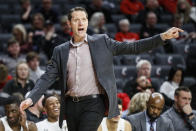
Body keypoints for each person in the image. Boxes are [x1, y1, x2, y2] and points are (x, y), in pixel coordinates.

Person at [20, 6, 184, 131]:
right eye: (76, 20)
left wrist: (163, 37)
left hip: (94, 102)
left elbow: (133, 47)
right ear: (69, 24)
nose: (81, 22)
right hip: (70, 105)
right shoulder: (60, 50)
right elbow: (47, 77)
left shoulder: (102, 42)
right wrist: (31, 97)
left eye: (84, 19)